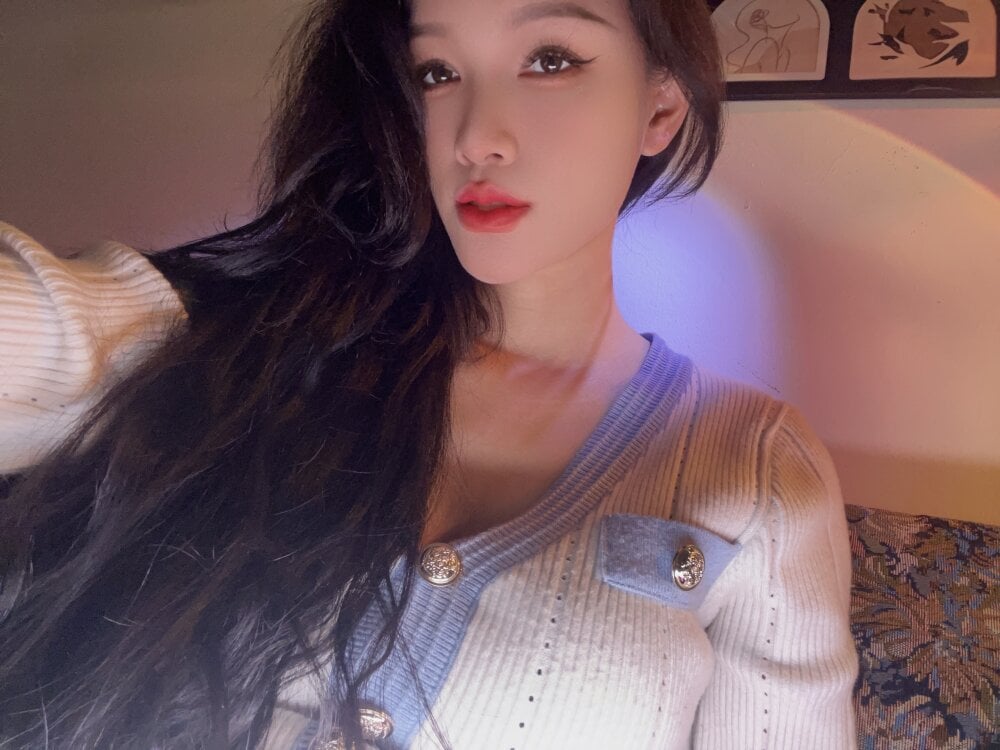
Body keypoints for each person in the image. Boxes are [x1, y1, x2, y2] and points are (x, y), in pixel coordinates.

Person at [0, 0, 860, 748]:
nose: (475, 137)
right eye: (437, 72)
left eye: (549, 58)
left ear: (661, 107)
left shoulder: (754, 466)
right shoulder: (256, 344)